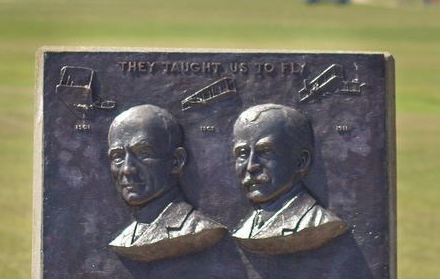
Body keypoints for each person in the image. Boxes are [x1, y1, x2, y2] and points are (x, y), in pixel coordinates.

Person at [105, 105, 226, 261]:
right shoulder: (124, 239)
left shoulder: (198, 228)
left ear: (177, 161)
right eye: (117, 157)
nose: (128, 169)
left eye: (143, 153)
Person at [230, 104, 348, 254]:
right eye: (242, 154)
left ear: (301, 161)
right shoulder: (244, 229)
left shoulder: (319, 223)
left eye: (265, 151)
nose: (251, 166)